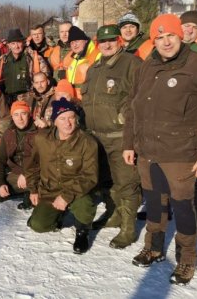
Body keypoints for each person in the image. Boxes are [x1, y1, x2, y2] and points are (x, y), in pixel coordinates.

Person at [123, 14, 197, 285]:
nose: (165, 42)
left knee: (183, 209)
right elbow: (133, 109)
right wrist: (129, 144)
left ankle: (186, 259)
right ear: (153, 41)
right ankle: (154, 247)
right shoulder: (146, 67)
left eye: (170, 35)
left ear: (180, 35)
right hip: (148, 153)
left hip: (181, 154)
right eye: (159, 37)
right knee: (155, 205)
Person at [81, 25, 142, 249]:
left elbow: (140, 99)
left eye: (111, 40)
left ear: (120, 41)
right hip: (97, 136)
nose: (107, 45)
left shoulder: (131, 64)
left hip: (120, 136)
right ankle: (115, 214)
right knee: (108, 181)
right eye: (102, 41)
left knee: (127, 182)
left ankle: (128, 228)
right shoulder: (94, 68)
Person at [25, 98, 98, 254]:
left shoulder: (87, 142)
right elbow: (32, 166)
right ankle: (57, 216)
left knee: (85, 204)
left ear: (76, 119)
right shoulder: (41, 139)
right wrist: (32, 189)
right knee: (38, 225)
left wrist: (66, 196)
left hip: (77, 190)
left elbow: (90, 176)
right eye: (62, 118)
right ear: (55, 122)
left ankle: (82, 231)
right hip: (50, 190)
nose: (68, 123)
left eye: (71, 117)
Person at [0, 101, 37, 209]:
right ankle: (24, 191)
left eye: (23, 113)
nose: (20, 118)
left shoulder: (39, 131)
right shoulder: (9, 133)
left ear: (29, 114)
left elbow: (45, 160)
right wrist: (0, 183)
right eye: (16, 115)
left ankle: (35, 192)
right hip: (18, 174)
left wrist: (26, 173)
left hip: (37, 174)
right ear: (12, 117)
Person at [0, 28, 49, 105]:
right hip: (8, 100)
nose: (16, 46)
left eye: (18, 42)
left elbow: (46, 76)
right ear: (8, 45)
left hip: (29, 99)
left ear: (23, 42)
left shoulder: (34, 57)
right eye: (13, 43)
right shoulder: (3, 60)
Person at [65, 26, 101, 99]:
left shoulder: (97, 55)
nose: (74, 45)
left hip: (89, 100)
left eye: (77, 41)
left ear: (86, 40)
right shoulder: (73, 58)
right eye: (72, 43)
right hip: (74, 100)